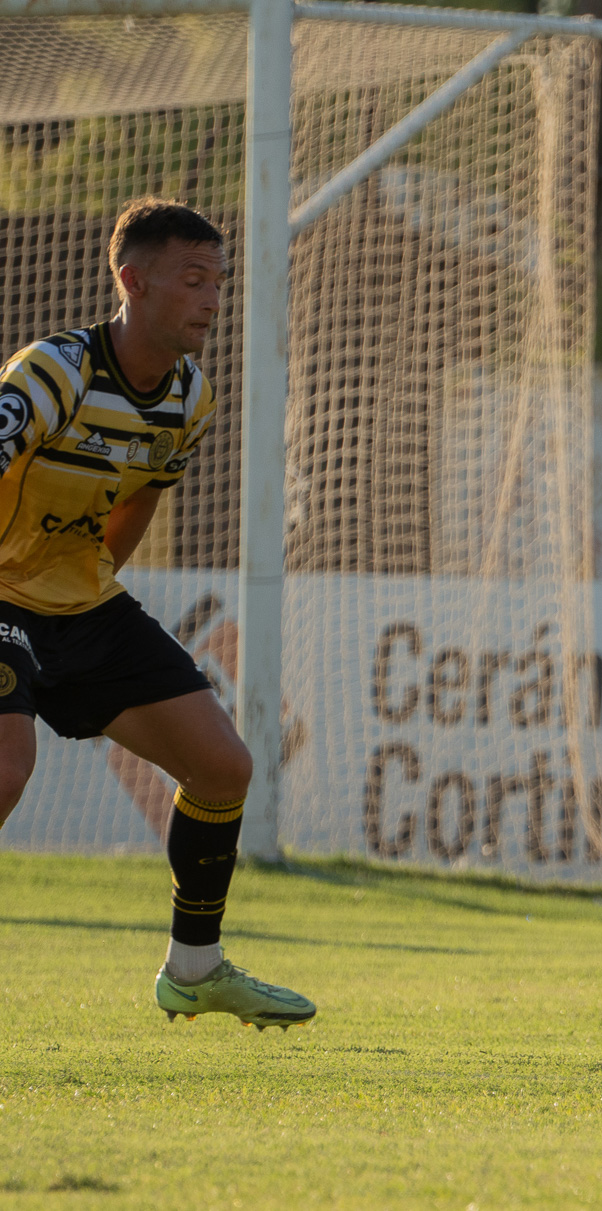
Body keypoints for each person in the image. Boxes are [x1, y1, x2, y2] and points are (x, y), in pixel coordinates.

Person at [0, 198, 315, 1031]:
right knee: (4, 769)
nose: (213, 297)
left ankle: (195, 968)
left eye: (218, 280)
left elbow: (135, 502)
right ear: (132, 281)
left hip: (87, 605)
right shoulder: (52, 372)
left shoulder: (188, 398)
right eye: (193, 279)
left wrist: (96, 583)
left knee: (223, 767)